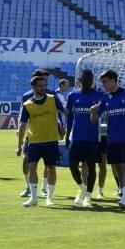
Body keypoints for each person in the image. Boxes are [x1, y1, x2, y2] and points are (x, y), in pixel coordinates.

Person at [91, 69, 125, 208]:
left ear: (114, 80)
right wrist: (93, 112)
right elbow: (94, 120)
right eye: (102, 82)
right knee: (117, 167)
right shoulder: (105, 98)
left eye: (105, 82)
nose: (103, 85)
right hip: (112, 139)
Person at [16, 75, 65, 207]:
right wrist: (19, 145)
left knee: (51, 168)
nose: (43, 88)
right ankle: (33, 198)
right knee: (32, 167)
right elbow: (22, 125)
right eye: (40, 86)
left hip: (51, 141)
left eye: (45, 85)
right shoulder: (27, 105)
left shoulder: (52, 99)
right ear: (33, 87)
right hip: (34, 142)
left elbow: (64, 112)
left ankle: (49, 198)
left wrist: (64, 126)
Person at [65, 69, 105, 208]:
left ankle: (88, 196)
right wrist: (67, 134)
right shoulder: (72, 95)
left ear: (93, 80)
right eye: (85, 79)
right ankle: (82, 187)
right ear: (80, 80)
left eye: (90, 79)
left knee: (91, 167)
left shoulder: (100, 95)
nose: (88, 82)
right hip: (76, 137)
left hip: (93, 138)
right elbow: (69, 117)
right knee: (72, 165)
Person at [18, 69, 56, 198]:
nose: (45, 83)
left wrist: (61, 127)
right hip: (32, 135)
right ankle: (28, 187)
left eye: (46, 81)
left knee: (49, 164)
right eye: (42, 80)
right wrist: (20, 131)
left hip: (48, 135)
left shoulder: (52, 95)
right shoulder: (26, 96)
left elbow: (60, 112)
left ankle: (44, 187)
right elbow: (22, 116)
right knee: (26, 160)